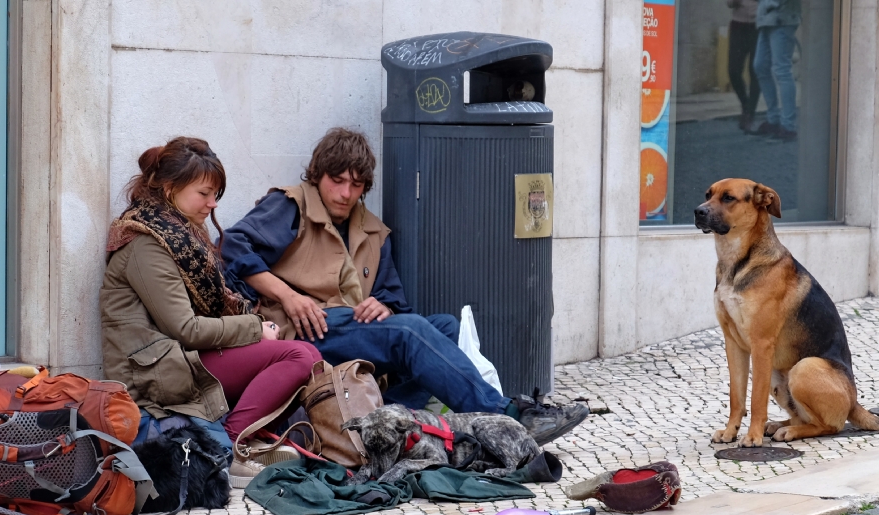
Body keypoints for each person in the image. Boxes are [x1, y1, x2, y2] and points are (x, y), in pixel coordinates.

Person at [220, 127, 587, 445]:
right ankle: (505, 416)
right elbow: (233, 246)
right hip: (304, 330)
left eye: (357, 184)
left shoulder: (374, 232)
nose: (346, 193)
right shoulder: (291, 205)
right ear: (318, 175)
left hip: (351, 330)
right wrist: (289, 296)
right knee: (411, 334)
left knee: (445, 328)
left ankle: (390, 415)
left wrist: (385, 307)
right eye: (337, 180)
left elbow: (394, 301)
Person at [101, 137, 319, 486]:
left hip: (178, 357)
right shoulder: (146, 243)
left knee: (307, 352)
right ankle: (231, 447)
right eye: (204, 193)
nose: (213, 204)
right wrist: (253, 328)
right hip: (154, 369)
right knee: (297, 356)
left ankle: (248, 439)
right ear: (171, 189)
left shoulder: (179, 232)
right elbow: (184, 328)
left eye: (215, 194)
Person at [752, 0, 802, 142]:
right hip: (769, 19)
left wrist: (772, 1)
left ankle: (787, 125)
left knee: (781, 69)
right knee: (760, 65)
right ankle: (773, 120)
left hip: (780, 17)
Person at [726, 0, 767, 132]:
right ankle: (745, 105)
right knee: (734, 70)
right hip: (739, 25)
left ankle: (749, 114)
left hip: (758, 27)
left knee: (755, 71)